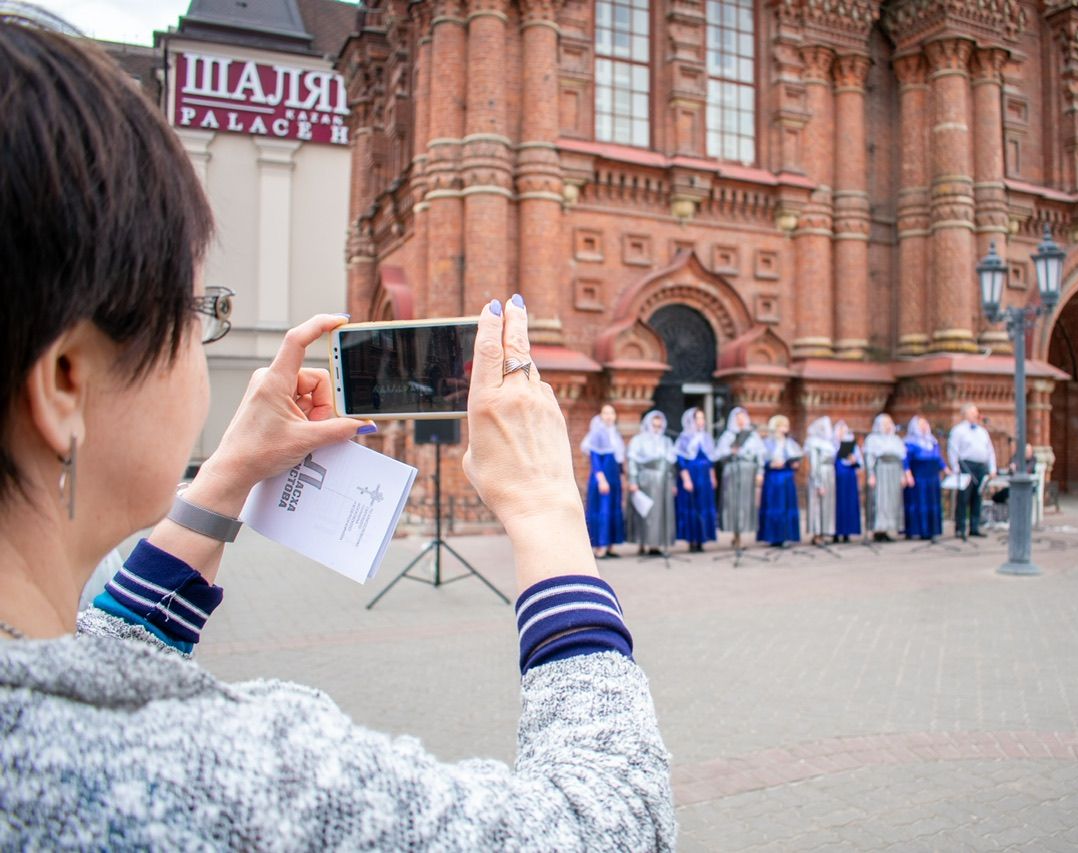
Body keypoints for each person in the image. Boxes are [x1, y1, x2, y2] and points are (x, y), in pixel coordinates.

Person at [0, 17, 673, 849]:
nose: (208, 344)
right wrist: (545, 511)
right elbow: (609, 826)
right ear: (66, 380)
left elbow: (105, 656)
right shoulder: (240, 780)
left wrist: (223, 480)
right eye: (196, 312)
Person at [627, 410, 678, 555]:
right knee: (647, 512)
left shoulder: (666, 441)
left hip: (663, 482)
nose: (657, 428)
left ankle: (656, 544)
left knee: (661, 513)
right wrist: (633, 480)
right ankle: (643, 542)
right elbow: (632, 461)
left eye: (659, 425)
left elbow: (671, 465)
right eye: (654, 425)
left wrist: (672, 483)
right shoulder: (639, 440)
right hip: (646, 480)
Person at [716, 406, 764, 550]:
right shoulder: (728, 436)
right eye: (738, 418)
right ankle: (736, 536)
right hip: (733, 471)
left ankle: (743, 533)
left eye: (743, 418)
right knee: (733, 503)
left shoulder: (753, 436)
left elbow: (760, 455)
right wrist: (730, 451)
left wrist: (760, 472)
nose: (741, 421)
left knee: (745, 503)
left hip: (748, 472)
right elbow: (718, 454)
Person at [581, 404, 626, 558]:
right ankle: (600, 546)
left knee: (613, 508)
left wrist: (621, 477)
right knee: (602, 509)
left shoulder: (615, 434)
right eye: (605, 413)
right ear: (600, 416)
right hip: (602, 478)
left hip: (614, 478)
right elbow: (595, 459)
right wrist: (601, 480)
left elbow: (619, 460)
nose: (609, 416)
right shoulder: (597, 434)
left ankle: (610, 546)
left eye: (611, 413)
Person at [947, 402, 997, 538]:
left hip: (980, 467)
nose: (976, 415)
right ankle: (960, 528)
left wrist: (992, 468)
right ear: (965, 414)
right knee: (963, 498)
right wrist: (956, 469)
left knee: (977, 497)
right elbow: (953, 451)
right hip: (966, 466)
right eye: (973, 412)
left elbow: (990, 451)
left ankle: (974, 527)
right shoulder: (958, 430)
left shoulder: (982, 431)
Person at [674, 408, 718, 552]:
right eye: (698, 418)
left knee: (703, 506)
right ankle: (691, 539)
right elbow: (681, 461)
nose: (701, 421)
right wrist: (686, 479)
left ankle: (702, 538)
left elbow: (710, 459)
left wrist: (712, 477)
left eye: (702, 418)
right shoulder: (684, 438)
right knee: (691, 506)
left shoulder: (706, 437)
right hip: (691, 474)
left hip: (704, 476)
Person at [757, 415, 803, 547]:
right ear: (776, 428)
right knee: (774, 506)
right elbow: (762, 460)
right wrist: (770, 464)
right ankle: (773, 536)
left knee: (786, 506)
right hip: (773, 478)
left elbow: (796, 458)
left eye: (786, 426)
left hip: (786, 477)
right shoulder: (767, 443)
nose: (785, 429)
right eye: (783, 426)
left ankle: (786, 535)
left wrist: (795, 464)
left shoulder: (790, 443)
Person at [864, 414, 910, 542]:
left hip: (894, 472)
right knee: (880, 500)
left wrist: (902, 475)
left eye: (890, 423)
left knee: (892, 501)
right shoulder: (872, 439)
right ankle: (877, 529)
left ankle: (888, 529)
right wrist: (871, 474)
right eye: (885, 424)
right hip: (881, 471)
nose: (888, 426)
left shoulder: (896, 440)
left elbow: (901, 460)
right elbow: (870, 459)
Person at [902, 416, 946, 541]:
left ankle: (931, 530)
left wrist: (946, 468)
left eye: (925, 424)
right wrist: (908, 474)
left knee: (932, 502)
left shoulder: (932, 441)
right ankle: (917, 530)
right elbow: (905, 460)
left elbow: (939, 458)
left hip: (932, 477)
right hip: (919, 477)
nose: (924, 427)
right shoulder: (910, 442)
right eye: (921, 424)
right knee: (918, 502)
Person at [804, 416, 837, 545]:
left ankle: (825, 531)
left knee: (827, 504)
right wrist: (818, 483)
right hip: (819, 475)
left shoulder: (829, 444)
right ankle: (816, 533)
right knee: (816, 504)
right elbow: (814, 464)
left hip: (829, 474)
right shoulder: (813, 442)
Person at [832, 420, 863, 543]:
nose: (841, 433)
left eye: (844, 431)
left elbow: (859, 463)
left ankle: (847, 532)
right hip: (836, 478)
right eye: (840, 431)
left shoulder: (851, 445)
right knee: (837, 505)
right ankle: (835, 532)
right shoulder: (831, 444)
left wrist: (854, 460)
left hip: (849, 477)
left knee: (848, 504)